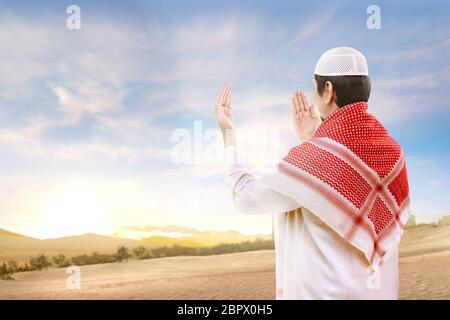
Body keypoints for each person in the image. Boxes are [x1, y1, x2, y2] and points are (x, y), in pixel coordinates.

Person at [214, 47, 410, 299]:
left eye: (315, 86)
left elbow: (246, 197)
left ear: (327, 90)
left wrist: (228, 135)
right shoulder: (393, 153)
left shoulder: (314, 160)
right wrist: (314, 138)